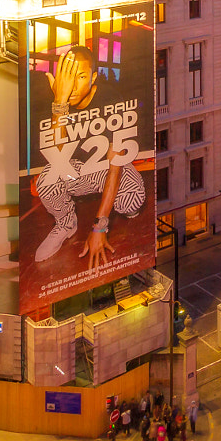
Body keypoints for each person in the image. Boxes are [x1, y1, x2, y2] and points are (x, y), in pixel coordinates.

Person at [31, 40, 146, 270]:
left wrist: (100, 225)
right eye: (68, 76)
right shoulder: (58, 99)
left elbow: (115, 166)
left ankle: (112, 207)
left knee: (133, 201)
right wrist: (59, 102)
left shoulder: (111, 99)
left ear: (93, 78)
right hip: (77, 170)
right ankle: (66, 224)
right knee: (46, 181)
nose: (72, 85)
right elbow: (58, 157)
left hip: (107, 168)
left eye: (81, 77)